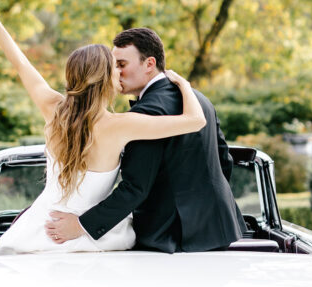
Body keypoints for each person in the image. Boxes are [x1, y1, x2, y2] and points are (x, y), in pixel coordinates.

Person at [0, 0, 206, 254]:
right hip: (96, 237)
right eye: (115, 66)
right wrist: (184, 85)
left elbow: (19, 62)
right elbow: (195, 121)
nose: (120, 71)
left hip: (42, 229)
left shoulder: (53, 108)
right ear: (105, 78)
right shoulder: (122, 126)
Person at [46, 27, 246, 253]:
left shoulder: (146, 111)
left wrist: (82, 225)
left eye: (121, 65)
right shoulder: (197, 98)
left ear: (149, 64)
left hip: (170, 239)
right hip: (220, 229)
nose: (116, 72)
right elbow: (223, 160)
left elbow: (135, 188)